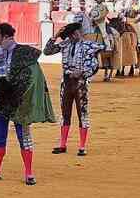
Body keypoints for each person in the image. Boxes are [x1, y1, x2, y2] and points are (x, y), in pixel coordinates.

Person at [0, 21, 54, 185]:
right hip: (1, 99)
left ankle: (29, 174)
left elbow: (33, 77)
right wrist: (0, 50)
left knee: (24, 136)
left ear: (6, 37)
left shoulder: (24, 52)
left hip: (20, 99)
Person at [44, 21, 104, 157]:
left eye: (77, 32)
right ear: (70, 35)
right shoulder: (65, 44)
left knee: (82, 113)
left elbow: (95, 65)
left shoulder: (88, 45)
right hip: (66, 82)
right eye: (74, 33)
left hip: (80, 83)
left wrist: (83, 72)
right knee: (65, 114)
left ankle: (82, 146)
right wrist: (55, 36)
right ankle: (62, 145)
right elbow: (47, 51)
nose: (77, 35)